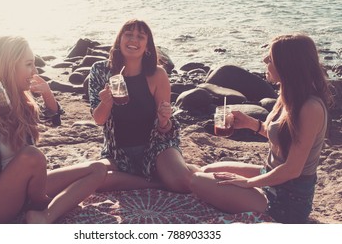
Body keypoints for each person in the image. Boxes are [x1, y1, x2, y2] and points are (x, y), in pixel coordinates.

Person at [0, 36, 107, 224]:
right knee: (31, 156)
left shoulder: (22, 101)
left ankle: (44, 215)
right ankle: (46, 206)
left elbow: (53, 121)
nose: (35, 71)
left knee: (98, 169)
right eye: (29, 64)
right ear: (8, 66)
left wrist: (48, 94)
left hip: (27, 188)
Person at [189, 34, 333, 223]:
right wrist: (252, 124)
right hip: (269, 175)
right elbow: (283, 138)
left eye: (270, 58)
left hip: (286, 199)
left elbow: (293, 169)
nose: (264, 60)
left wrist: (247, 183)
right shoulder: (287, 95)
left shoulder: (310, 108)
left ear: (287, 64)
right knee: (206, 171)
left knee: (197, 181)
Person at [89, 19, 195, 193]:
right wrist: (106, 102)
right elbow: (99, 119)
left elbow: (165, 129)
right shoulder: (100, 71)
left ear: (147, 46)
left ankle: (164, 173)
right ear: (119, 40)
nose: (133, 40)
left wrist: (163, 120)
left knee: (182, 183)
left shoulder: (157, 74)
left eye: (140, 36)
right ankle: (155, 183)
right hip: (118, 152)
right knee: (96, 180)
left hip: (156, 147)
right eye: (128, 34)